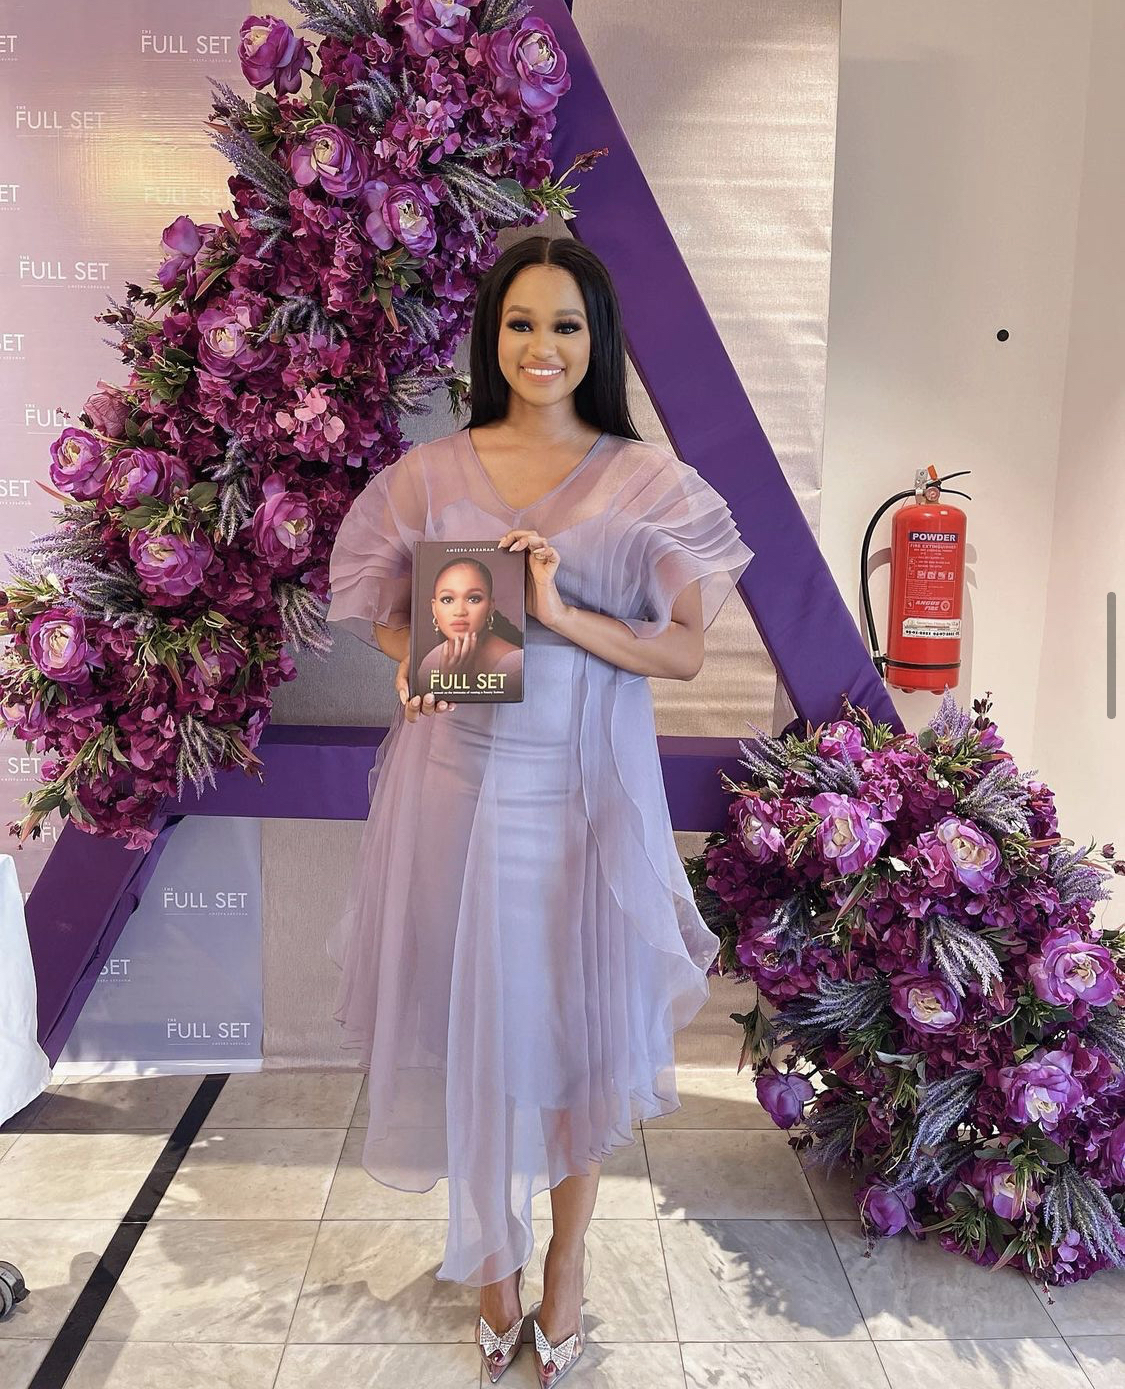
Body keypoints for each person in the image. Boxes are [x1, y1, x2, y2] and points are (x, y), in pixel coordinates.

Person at [325, 233, 754, 1385]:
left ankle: (564, 1259)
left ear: (597, 339)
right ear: (493, 336)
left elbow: (681, 652)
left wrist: (559, 615)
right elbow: (384, 611)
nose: (542, 346)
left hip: (579, 802)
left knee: (575, 1036)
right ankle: (492, 1260)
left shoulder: (646, 480)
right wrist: (422, 661)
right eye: (521, 323)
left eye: (566, 324)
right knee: (476, 1027)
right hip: (453, 794)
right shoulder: (430, 473)